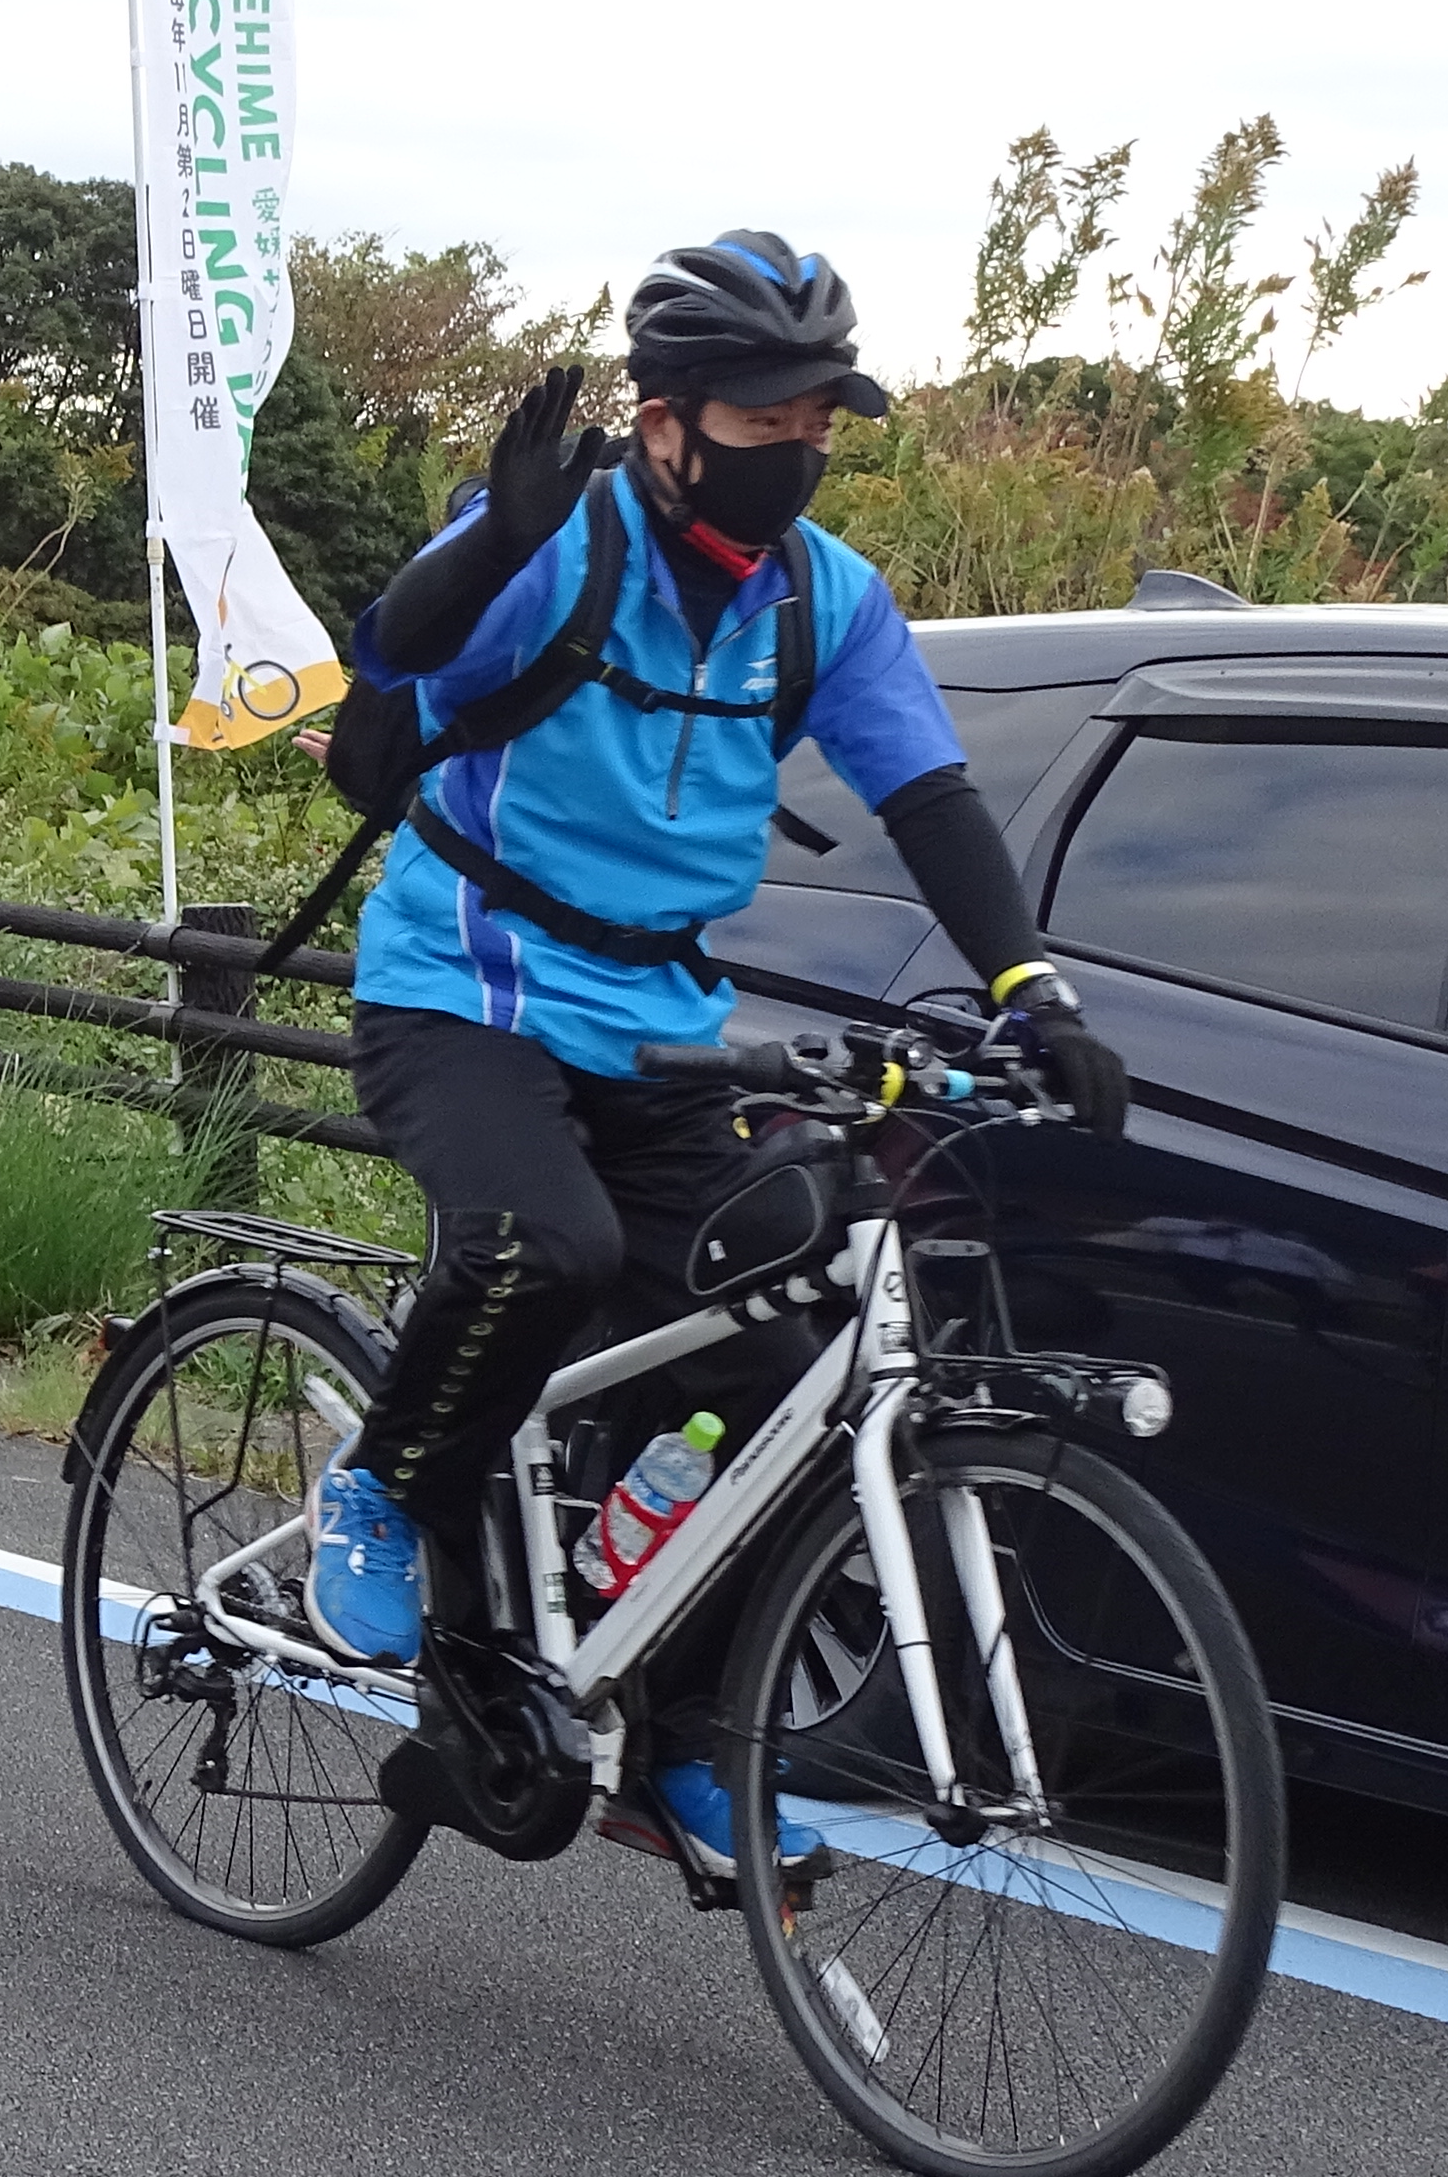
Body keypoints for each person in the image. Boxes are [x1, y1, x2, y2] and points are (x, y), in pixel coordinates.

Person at [311, 229, 1131, 1863]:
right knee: (538, 1245)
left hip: (656, 1021)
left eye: (819, 419)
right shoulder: (563, 542)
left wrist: (1028, 984)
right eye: (766, 420)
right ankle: (385, 1483)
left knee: (771, 1364)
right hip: (464, 988)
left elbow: (929, 801)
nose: (800, 451)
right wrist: (489, 547)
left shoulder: (821, 599)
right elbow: (389, 668)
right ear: (666, 417)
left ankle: (667, 1728)